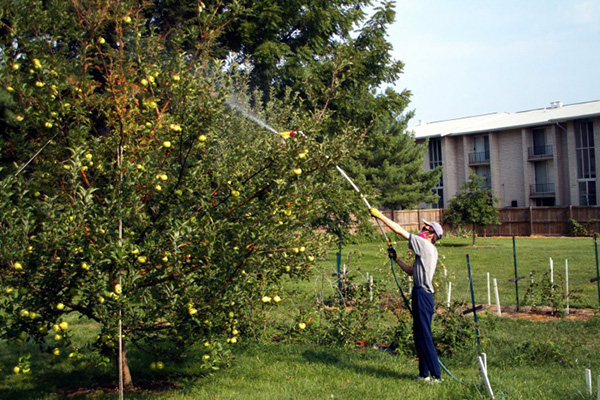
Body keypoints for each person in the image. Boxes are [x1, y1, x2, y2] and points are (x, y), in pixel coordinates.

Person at [369, 208, 443, 382]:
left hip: (423, 295)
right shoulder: (425, 250)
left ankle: (436, 376)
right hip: (420, 293)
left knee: (424, 335)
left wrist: (379, 216)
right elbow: (411, 271)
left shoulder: (425, 245)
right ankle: (424, 374)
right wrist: (397, 260)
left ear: (432, 235)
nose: (422, 229)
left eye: (426, 228)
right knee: (419, 335)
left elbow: (398, 230)